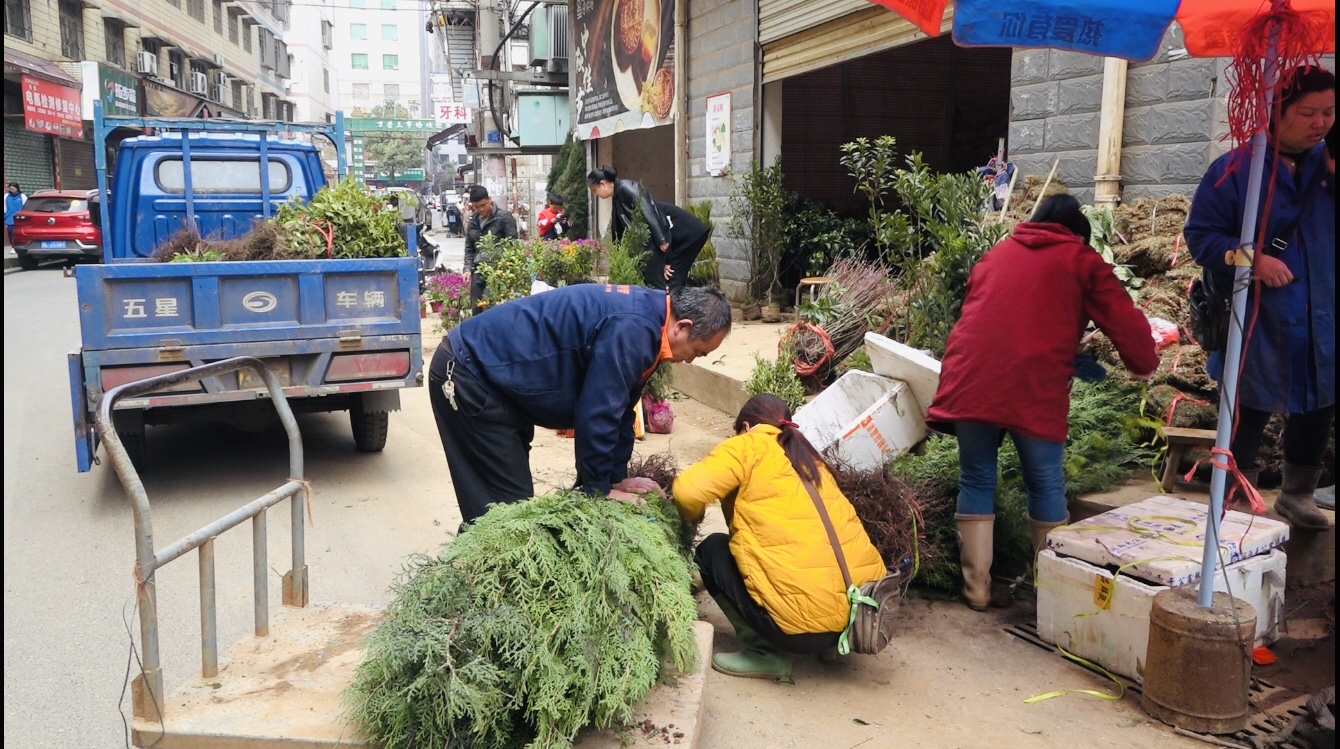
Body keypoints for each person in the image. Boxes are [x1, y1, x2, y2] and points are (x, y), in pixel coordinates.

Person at [926, 194, 1160, 611]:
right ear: (1078, 235)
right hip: (1032, 387)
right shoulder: (1081, 260)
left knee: (976, 479)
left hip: (971, 377)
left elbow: (999, 316)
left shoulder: (997, 254)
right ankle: (1048, 592)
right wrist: (1142, 365)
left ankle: (976, 589)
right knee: (1045, 483)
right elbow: (1125, 320)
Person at [428, 284, 732, 524]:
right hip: (470, 374)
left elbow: (621, 407)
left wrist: (616, 479)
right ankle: (479, 592)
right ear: (682, 326)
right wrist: (598, 490)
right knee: (503, 508)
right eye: (697, 351)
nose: (690, 360)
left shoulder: (651, 319)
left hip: (497, 381)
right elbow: (598, 412)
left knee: (508, 503)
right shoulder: (635, 328)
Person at [1184, 65, 1335, 531]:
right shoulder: (1237, 169)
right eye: (1308, 112)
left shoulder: (1329, 164)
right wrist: (1251, 258)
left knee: (1320, 400)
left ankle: (1297, 494)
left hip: (1324, 307)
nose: (1320, 123)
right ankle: (1236, 493)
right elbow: (1201, 236)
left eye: (1329, 112)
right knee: (1250, 402)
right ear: (1276, 111)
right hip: (1262, 314)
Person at [670, 394, 886, 681]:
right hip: (861, 618)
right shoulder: (809, 458)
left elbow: (687, 491)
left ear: (745, 427)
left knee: (712, 549)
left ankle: (764, 654)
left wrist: (688, 518)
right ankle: (832, 648)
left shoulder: (749, 446)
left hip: (800, 632)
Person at [586, 165, 710, 291]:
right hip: (675, 237)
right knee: (668, 275)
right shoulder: (619, 195)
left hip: (689, 235)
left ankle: (673, 306)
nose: (596, 195)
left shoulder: (627, 189)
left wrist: (661, 243)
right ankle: (672, 304)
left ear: (603, 184)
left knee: (674, 276)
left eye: (595, 190)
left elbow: (649, 213)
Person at [463, 185, 519, 309]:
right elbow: (469, 248)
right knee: (476, 308)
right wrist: (467, 268)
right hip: (478, 270)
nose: (481, 209)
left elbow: (513, 244)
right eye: (477, 207)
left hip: (497, 271)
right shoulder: (473, 221)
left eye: (483, 205)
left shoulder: (504, 218)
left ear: (489, 199)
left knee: (491, 308)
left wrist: (506, 268)